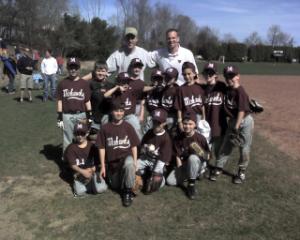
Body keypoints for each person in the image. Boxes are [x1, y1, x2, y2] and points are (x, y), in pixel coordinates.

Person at [210, 65, 254, 184]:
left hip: (244, 121)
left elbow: (241, 111)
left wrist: (236, 127)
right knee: (226, 145)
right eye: (227, 76)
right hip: (234, 121)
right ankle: (219, 167)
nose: (230, 78)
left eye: (232, 76)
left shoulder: (240, 91)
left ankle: (242, 171)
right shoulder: (228, 89)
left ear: (238, 76)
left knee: (244, 147)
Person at [96, 101, 140, 207]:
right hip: (113, 166)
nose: (119, 113)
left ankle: (128, 192)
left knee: (129, 164)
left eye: (121, 111)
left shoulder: (128, 126)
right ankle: (126, 183)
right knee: (115, 186)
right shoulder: (105, 128)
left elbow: (134, 145)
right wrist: (102, 166)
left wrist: (135, 162)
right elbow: (101, 148)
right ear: (112, 112)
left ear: (124, 112)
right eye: (116, 111)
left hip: (126, 159)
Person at [83, 27, 155, 81]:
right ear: (124, 39)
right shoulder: (117, 55)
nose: (130, 40)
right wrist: (80, 81)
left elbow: (159, 62)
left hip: (138, 92)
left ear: (137, 39)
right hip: (122, 91)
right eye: (127, 38)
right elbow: (101, 70)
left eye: (132, 38)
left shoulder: (144, 53)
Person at [166, 111, 210, 200]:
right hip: (185, 165)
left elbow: (207, 156)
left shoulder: (200, 138)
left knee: (193, 158)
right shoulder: (179, 137)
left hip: (198, 164)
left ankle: (191, 185)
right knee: (170, 181)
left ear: (195, 125)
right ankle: (191, 175)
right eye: (185, 123)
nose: (187, 126)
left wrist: (199, 151)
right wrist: (179, 169)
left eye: (190, 124)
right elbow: (177, 155)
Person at [56, 57, 92, 155]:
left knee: (82, 138)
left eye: (75, 67)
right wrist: (59, 116)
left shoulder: (84, 83)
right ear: (67, 68)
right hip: (67, 115)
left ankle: (82, 159)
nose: (73, 69)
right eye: (71, 67)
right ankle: (68, 161)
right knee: (67, 138)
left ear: (78, 68)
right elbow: (59, 101)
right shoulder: (62, 83)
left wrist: (89, 115)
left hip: (81, 115)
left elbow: (87, 101)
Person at [64, 122, 107, 197]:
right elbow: (73, 165)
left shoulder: (93, 146)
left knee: (101, 189)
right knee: (80, 192)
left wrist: (92, 169)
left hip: (92, 172)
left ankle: (93, 181)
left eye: (82, 133)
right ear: (74, 134)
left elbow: (98, 163)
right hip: (79, 174)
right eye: (77, 134)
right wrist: (82, 172)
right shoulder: (71, 148)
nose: (80, 136)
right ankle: (77, 182)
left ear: (87, 134)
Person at [136, 108, 172, 194]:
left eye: (159, 123)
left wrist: (156, 173)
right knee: (133, 168)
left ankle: (162, 177)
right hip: (146, 158)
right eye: (154, 122)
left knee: (156, 181)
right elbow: (142, 146)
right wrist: (146, 147)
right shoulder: (149, 132)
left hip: (157, 161)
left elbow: (163, 159)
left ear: (164, 123)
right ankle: (144, 172)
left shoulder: (166, 138)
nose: (156, 125)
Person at [104, 72, 143, 140]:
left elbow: (143, 93)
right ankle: (106, 144)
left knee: (136, 125)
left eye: (127, 82)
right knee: (105, 120)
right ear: (118, 82)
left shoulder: (132, 91)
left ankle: (140, 147)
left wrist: (141, 114)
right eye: (123, 82)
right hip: (115, 116)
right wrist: (117, 87)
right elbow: (105, 95)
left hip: (128, 116)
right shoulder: (114, 91)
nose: (126, 84)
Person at [202, 62, 227, 162]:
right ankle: (205, 166)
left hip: (219, 125)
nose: (208, 75)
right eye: (206, 72)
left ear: (216, 74)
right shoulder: (202, 89)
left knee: (218, 149)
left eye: (211, 73)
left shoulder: (222, 86)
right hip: (207, 125)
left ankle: (217, 168)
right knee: (205, 148)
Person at [175, 62, 206, 133]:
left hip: (198, 117)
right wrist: (180, 122)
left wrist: (204, 118)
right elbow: (179, 108)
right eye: (184, 74)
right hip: (187, 119)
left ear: (194, 73)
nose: (187, 76)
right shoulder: (181, 89)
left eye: (189, 74)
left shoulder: (199, 87)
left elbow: (202, 105)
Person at [89, 62, 113, 139]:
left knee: (106, 139)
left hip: (107, 117)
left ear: (107, 72)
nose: (100, 73)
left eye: (103, 71)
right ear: (94, 71)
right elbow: (86, 101)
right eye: (98, 71)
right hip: (94, 117)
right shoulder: (90, 84)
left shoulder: (111, 85)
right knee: (93, 139)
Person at [143, 69, 165, 134]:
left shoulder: (165, 90)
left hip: (162, 116)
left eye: (159, 79)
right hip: (151, 115)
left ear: (162, 80)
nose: (156, 81)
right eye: (155, 78)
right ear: (151, 79)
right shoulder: (148, 89)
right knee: (146, 131)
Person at [161, 67, 180, 132]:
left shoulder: (177, 90)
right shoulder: (163, 88)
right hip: (163, 114)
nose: (167, 79)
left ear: (175, 79)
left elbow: (178, 107)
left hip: (172, 116)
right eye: (166, 76)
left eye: (170, 77)